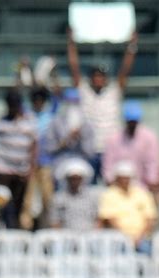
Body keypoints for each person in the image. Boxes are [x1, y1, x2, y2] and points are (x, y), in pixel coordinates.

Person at [67, 28, 138, 182]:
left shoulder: (114, 91)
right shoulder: (84, 91)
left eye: (101, 76)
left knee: (111, 185)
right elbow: (74, 67)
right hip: (89, 149)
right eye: (95, 76)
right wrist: (71, 43)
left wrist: (132, 46)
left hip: (110, 149)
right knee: (88, 185)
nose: (98, 79)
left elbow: (125, 69)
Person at [0, 89, 37, 228]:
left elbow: (34, 146)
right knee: (1, 202)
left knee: (18, 205)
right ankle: (0, 228)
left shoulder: (29, 122)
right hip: (2, 170)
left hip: (21, 171)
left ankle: (14, 231)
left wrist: (31, 168)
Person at [98, 161, 157, 253]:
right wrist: (126, 237)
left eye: (127, 178)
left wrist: (139, 237)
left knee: (149, 251)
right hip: (118, 239)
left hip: (141, 238)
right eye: (122, 178)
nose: (125, 181)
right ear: (117, 178)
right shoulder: (109, 194)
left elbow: (149, 219)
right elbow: (109, 219)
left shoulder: (142, 193)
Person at [20, 86, 57, 229]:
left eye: (41, 100)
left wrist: (49, 82)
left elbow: (56, 100)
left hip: (46, 163)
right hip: (29, 164)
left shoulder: (50, 115)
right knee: (28, 199)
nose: (38, 102)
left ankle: (48, 227)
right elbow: (20, 95)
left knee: (48, 197)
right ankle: (26, 228)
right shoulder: (27, 115)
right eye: (35, 100)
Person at [102, 101, 159, 187]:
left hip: (142, 186)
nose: (132, 124)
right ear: (125, 121)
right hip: (119, 187)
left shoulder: (149, 138)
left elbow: (152, 162)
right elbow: (108, 165)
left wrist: (152, 181)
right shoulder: (114, 139)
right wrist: (110, 181)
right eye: (130, 122)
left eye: (135, 122)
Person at [46, 88, 95, 177]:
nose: (73, 106)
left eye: (76, 103)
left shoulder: (86, 125)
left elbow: (90, 153)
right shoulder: (56, 122)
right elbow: (49, 148)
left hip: (80, 163)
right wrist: (65, 142)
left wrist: (81, 137)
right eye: (70, 102)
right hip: (60, 163)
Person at [50, 158, 99, 230]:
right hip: (66, 236)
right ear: (67, 179)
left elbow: (98, 219)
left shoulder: (92, 197)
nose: (75, 181)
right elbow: (55, 221)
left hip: (89, 236)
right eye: (72, 178)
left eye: (77, 178)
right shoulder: (58, 198)